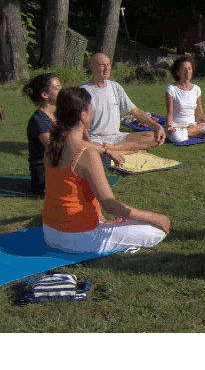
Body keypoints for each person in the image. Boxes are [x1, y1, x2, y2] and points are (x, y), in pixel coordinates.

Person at [42, 87, 170, 254]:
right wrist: (156, 217)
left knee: (126, 220)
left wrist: (108, 150)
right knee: (155, 230)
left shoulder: (52, 147)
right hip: (76, 238)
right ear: (82, 115)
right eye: (90, 108)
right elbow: (109, 205)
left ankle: (104, 226)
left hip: (50, 233)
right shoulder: (86, 155)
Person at [23, 73, 124, 194]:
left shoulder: (57, 115)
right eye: (56, 88)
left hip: (62, 165)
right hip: (46, 175)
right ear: (45, 95)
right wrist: (103, 150)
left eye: (60, 86)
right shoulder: (39, 120)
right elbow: (58, 149)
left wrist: (96, 147)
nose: (61, 91)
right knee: (97, 160)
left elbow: (79, 140)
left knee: (101, 158)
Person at [81, 53, 166, 151]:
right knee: (90, 147)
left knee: (153, 136)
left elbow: (135, 111)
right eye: (102, 65)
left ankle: (114, 149)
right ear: (91, 68)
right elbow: (80, 123)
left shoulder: (115, 87)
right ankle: (122, 149)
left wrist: (158, 127)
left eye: (108, 65)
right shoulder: (84, 91)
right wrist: (88, 141)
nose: (106, 68)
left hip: (117, 137)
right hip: (96, 139)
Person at [165, 56, 205, 143]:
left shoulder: (196, 89)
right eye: (184, 69)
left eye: (189, 69)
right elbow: (170, 113)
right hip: (177, 127)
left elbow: (200, 115)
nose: (187, 72)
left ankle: (191, 131)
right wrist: (169, 126)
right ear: (177, 72)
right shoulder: (171, 89)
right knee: (178, 138)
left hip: (193, 125)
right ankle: (194, 131)